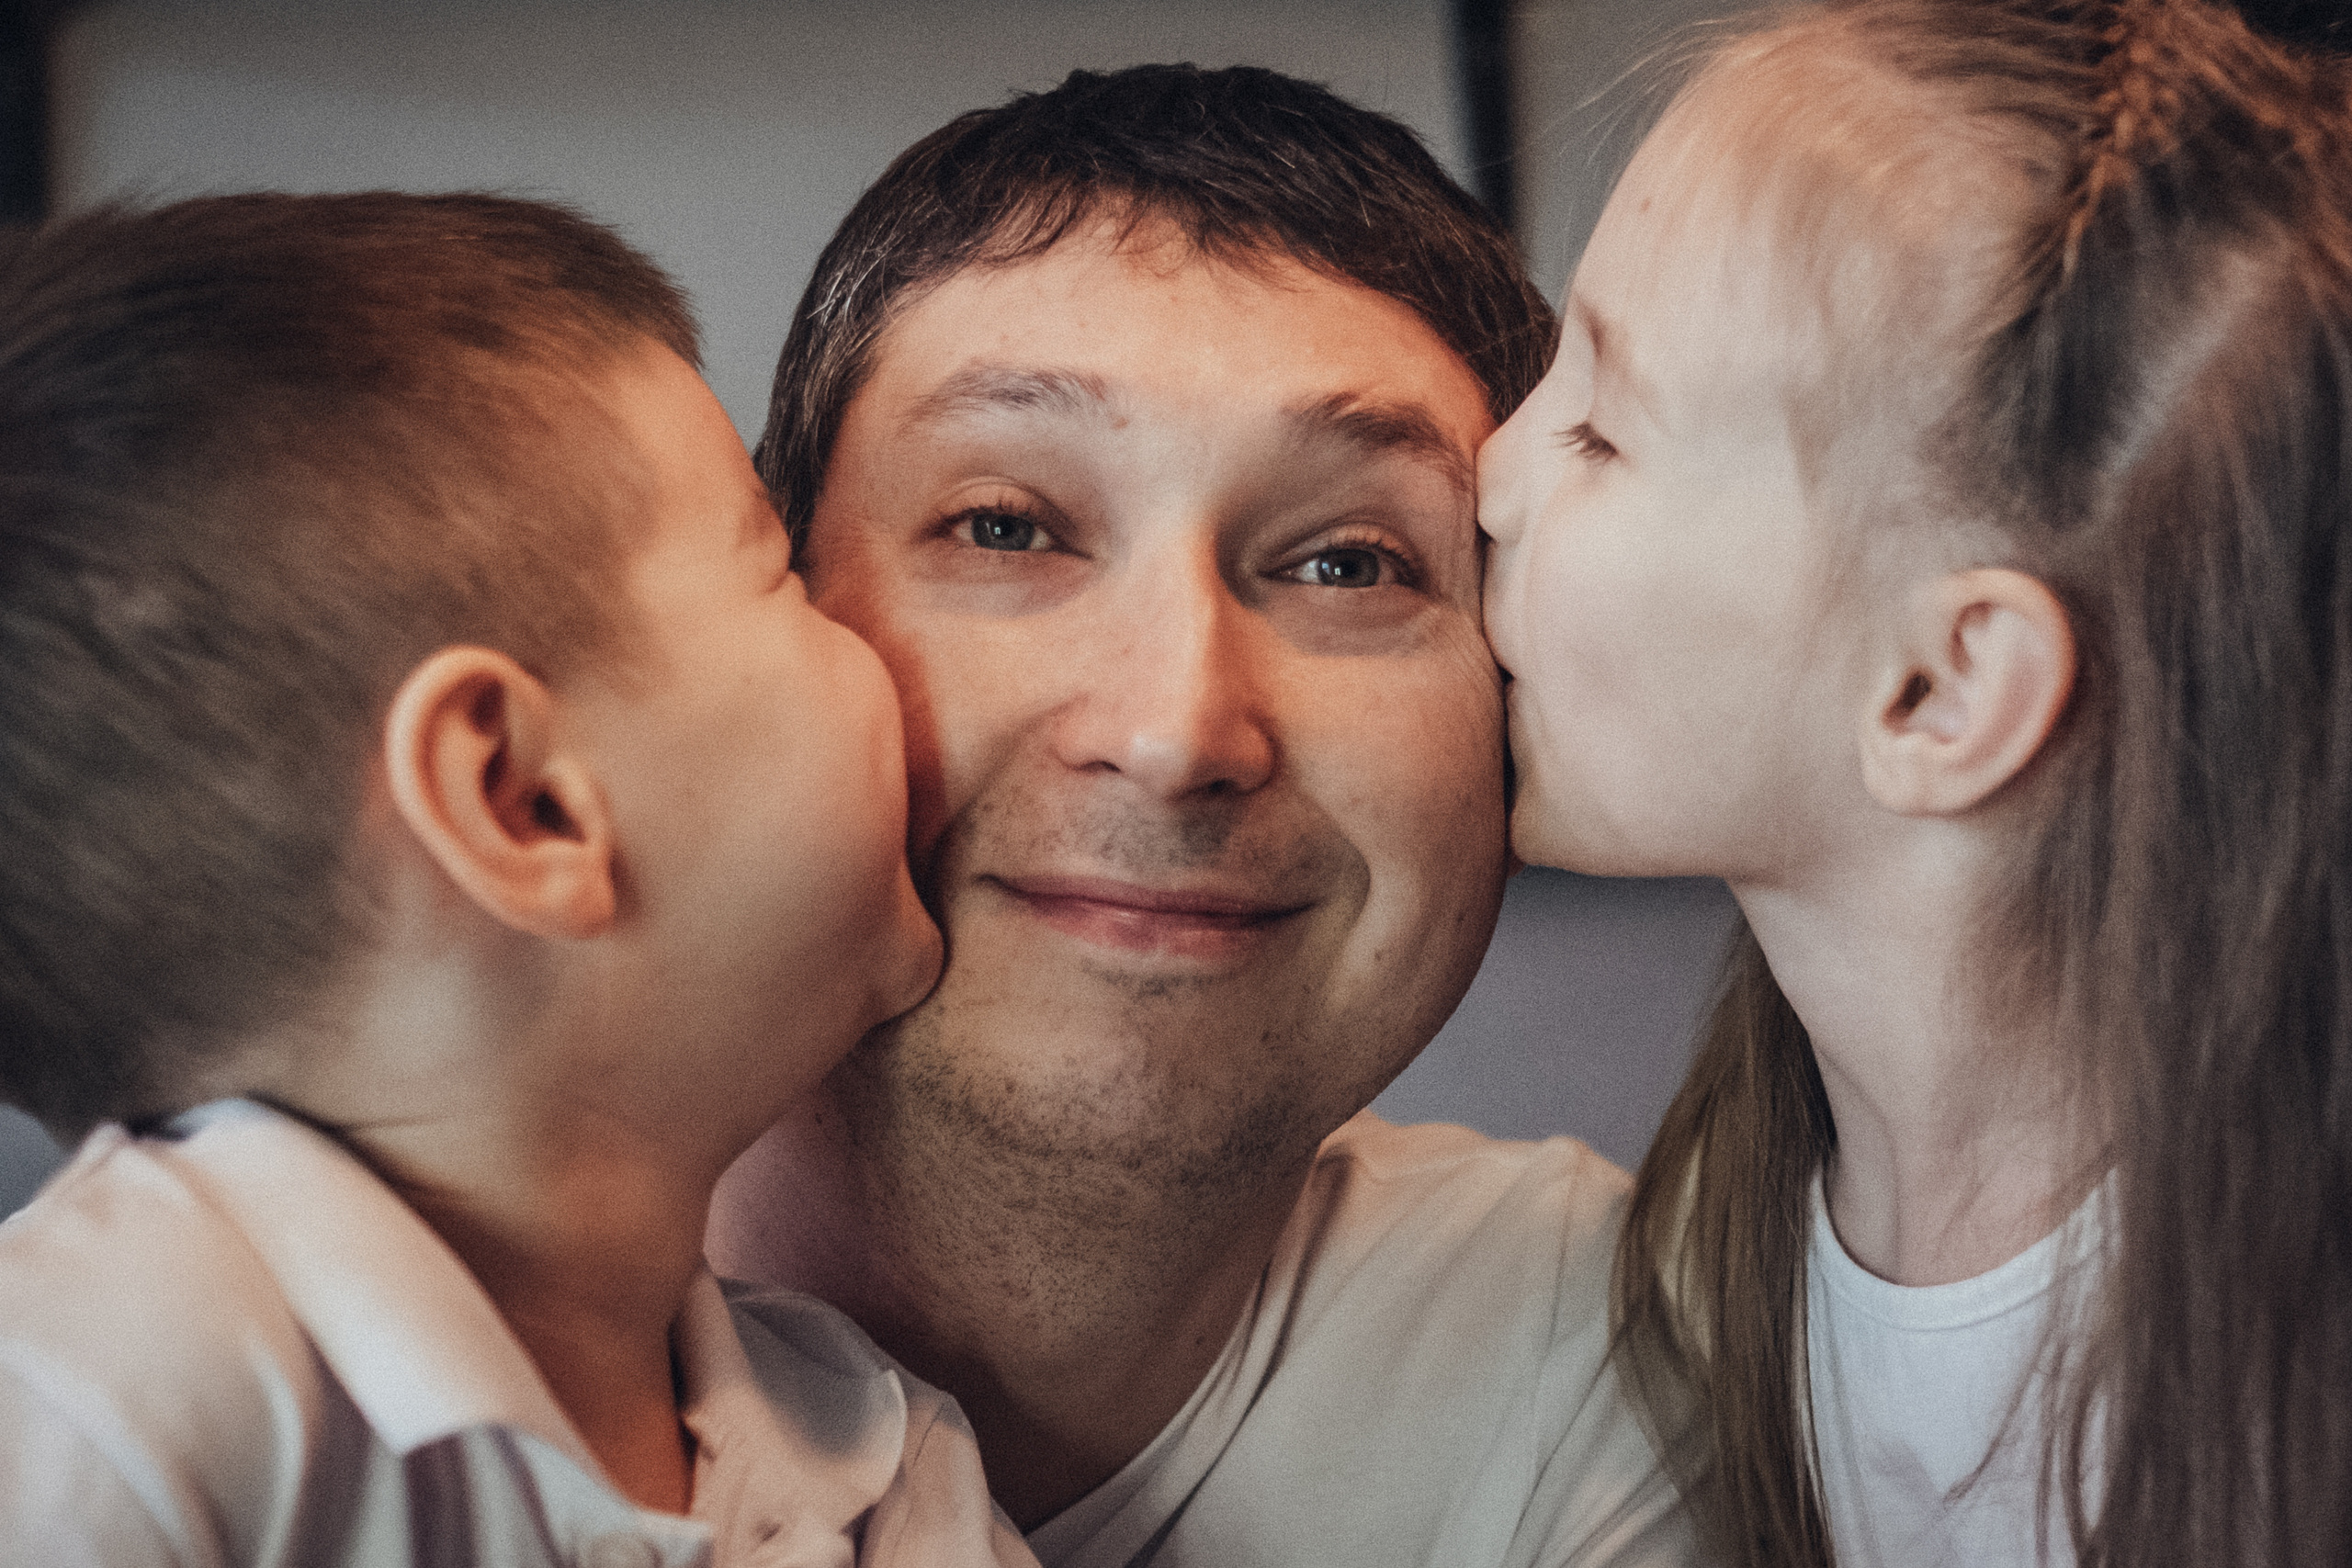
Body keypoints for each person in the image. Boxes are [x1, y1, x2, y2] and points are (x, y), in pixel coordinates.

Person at [707, 63, 1693, 1568]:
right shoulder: (307, 1321)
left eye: (1350, 563)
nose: (1175, 734)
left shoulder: (1624, 1366)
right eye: (1006, 527)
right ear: (768, 615)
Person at [0, 191, 1029, 1566]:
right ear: (522, 801)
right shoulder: (105, 1395)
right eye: (779, 568)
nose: (865, 628)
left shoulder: (870, 1452)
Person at [1479, 1, 2352, 1563]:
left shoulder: (2285, 1402)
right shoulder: (1730, 1214)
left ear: (1942, 689)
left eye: (1601, 431)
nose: (1488, 468)